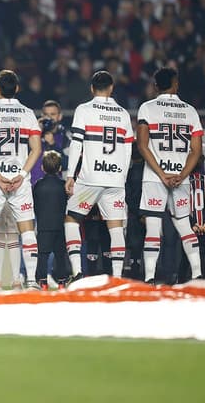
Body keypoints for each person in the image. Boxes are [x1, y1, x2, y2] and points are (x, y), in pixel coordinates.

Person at [0, 70, 42, 289]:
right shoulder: (28, 114)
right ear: (18, 88)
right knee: (27, 230)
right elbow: (36, 149)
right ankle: (30, 281)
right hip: (20, 181)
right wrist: (21, 175)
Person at [64, 71, 135, 280]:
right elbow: (128, 148)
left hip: (89, 179)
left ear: (92, 88)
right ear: (111, 87)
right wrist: (122, 175)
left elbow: (76, 144)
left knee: (71, 219)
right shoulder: (122, 113)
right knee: (115, 226)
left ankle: (77, 272)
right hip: (115, 178)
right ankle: (118, 277)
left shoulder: (84, 110)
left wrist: (70, 175)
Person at [137, 67, 204, 284]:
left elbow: (142, 145)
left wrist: (162, 174)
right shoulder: (190, 111)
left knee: (153, 227)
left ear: (155, 86)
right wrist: (181, 175)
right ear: (176, 84)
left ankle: (149, 278)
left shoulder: (147, 108)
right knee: (184, 226)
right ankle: (197, 275)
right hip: (180, 177)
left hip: (155, 177)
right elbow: (196, 151)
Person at [32, 151, 69, 288]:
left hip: (43, 226)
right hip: (59, 226)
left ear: (42, 167)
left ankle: (42, 282)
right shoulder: (63, 185)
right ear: (60, 168)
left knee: (42, 255)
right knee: (60, 255)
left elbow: (34, 204)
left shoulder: (38, 185)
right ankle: (62, 282)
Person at [30, 100, 70, 183]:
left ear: (60, 116)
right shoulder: (33, 135)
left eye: (53, 114)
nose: (49, 118)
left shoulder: (66, 138)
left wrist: (53, 144)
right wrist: (36, 132)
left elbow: (67, 164)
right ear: (42, 116)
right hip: (32, 186)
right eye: (46, 115)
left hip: (55, 187)